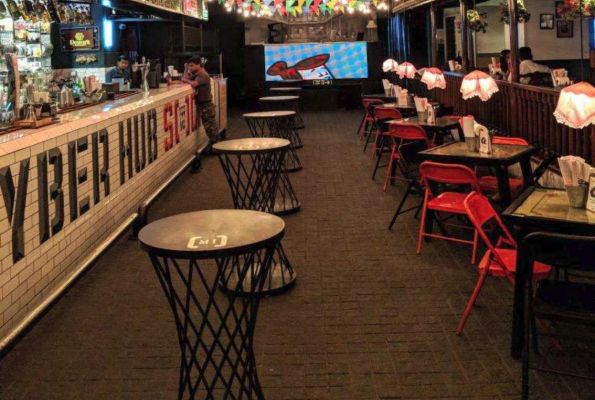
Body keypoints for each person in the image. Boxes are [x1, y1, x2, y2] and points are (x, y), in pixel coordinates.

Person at [182, 56, 220, 145]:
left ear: (199, 65)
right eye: (189, 66)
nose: (190, 68)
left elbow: (193, 84)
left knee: (211, 129)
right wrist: (186, 69)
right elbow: (185, 79)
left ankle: (217, 147)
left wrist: (186, 80)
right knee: (210, 128)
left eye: (192, 65)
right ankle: (216, 146)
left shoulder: (202, 75)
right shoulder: (197, 74)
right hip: (205, 106)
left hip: (206, 106)